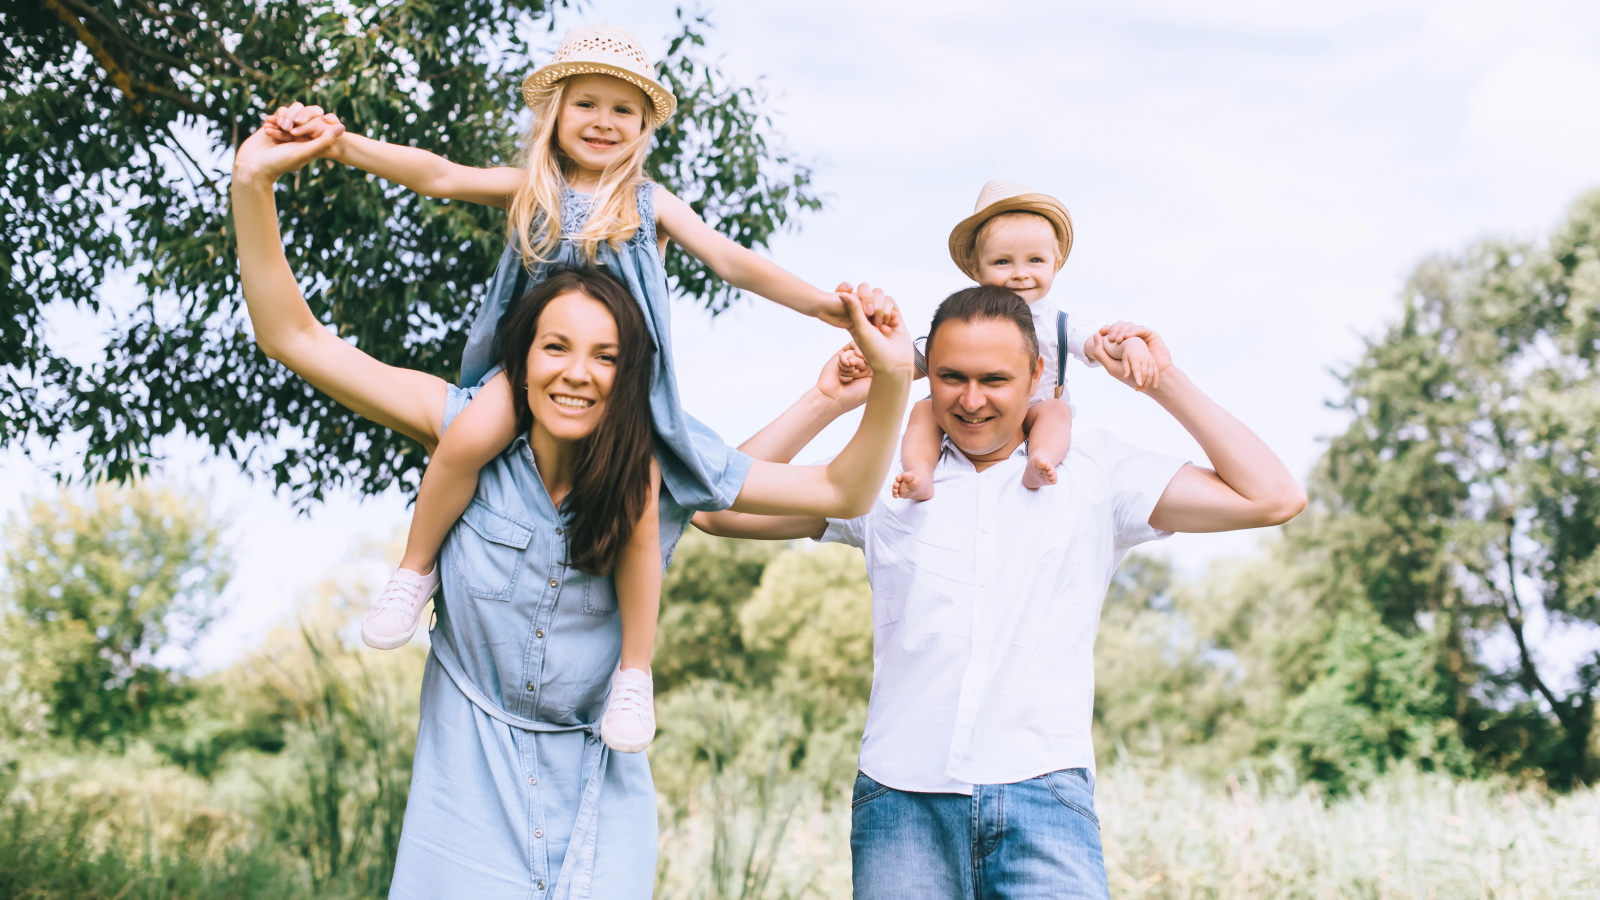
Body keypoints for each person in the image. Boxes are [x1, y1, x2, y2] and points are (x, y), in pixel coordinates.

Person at [231, 116, 913, 898]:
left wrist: (889, 378)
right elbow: (295, 335)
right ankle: (408, 575)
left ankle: (636, 675)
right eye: (555, 348)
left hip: (599, 794)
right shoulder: (468, 428)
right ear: (520, 357)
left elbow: (840, 491)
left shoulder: (658, 460)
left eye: (607, 356)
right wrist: (254, 183)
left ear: (633, 372)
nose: (578, 374)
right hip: (466, 787)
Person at [261, 23, 896, 753]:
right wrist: (339, 143)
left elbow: (732, 261)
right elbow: (436, 174)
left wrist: (824, 305)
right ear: (554, 114)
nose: (603, 121)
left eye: (623, 110)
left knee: (642, 499)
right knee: (467, 433)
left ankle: (634, 671)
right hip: (532, 376)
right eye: (587, 103)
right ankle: (414, 571)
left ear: (644, 128)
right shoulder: (533, 190)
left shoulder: (650, 203)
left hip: (623, 394)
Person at [695, 286, 1306, 899]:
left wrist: (1161, 380)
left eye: (995, 378)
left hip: (1045, 796)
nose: (971, 399)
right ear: (925, 374)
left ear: (1037, 373)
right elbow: (717, 511)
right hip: (902, 802)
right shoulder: (879, 477)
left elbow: (1273, 497)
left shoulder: (1096, 472)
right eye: (951, 377)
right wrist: (826, 401)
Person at [853, 180, 1159, 502]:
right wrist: (868, 363)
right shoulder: (970, 318)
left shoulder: (1059, 322)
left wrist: (1131, 345)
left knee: (1057, 411)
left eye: (1035, 261)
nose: (1019, 274)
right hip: (974, 415)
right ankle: (919, 471)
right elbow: (910, 362)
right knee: (922, 410)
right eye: (1003, 262)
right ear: (976, 268)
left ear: (1055, 265)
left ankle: (1041, 458)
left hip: (1035, 411)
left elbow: (1099, 344)